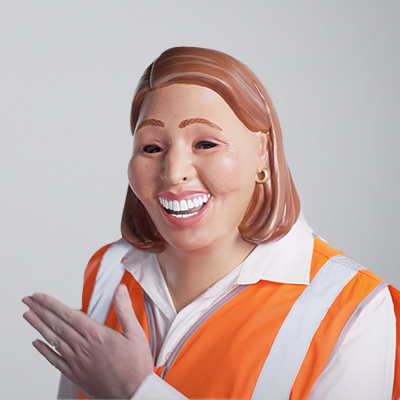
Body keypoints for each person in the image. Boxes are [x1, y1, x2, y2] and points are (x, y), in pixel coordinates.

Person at [23, 47, 400, 400]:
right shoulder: (107, 270)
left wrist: (137, 391)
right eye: (152, 147)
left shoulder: (354, 311)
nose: (173, 173)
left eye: (205, 144)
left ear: (263, 154)